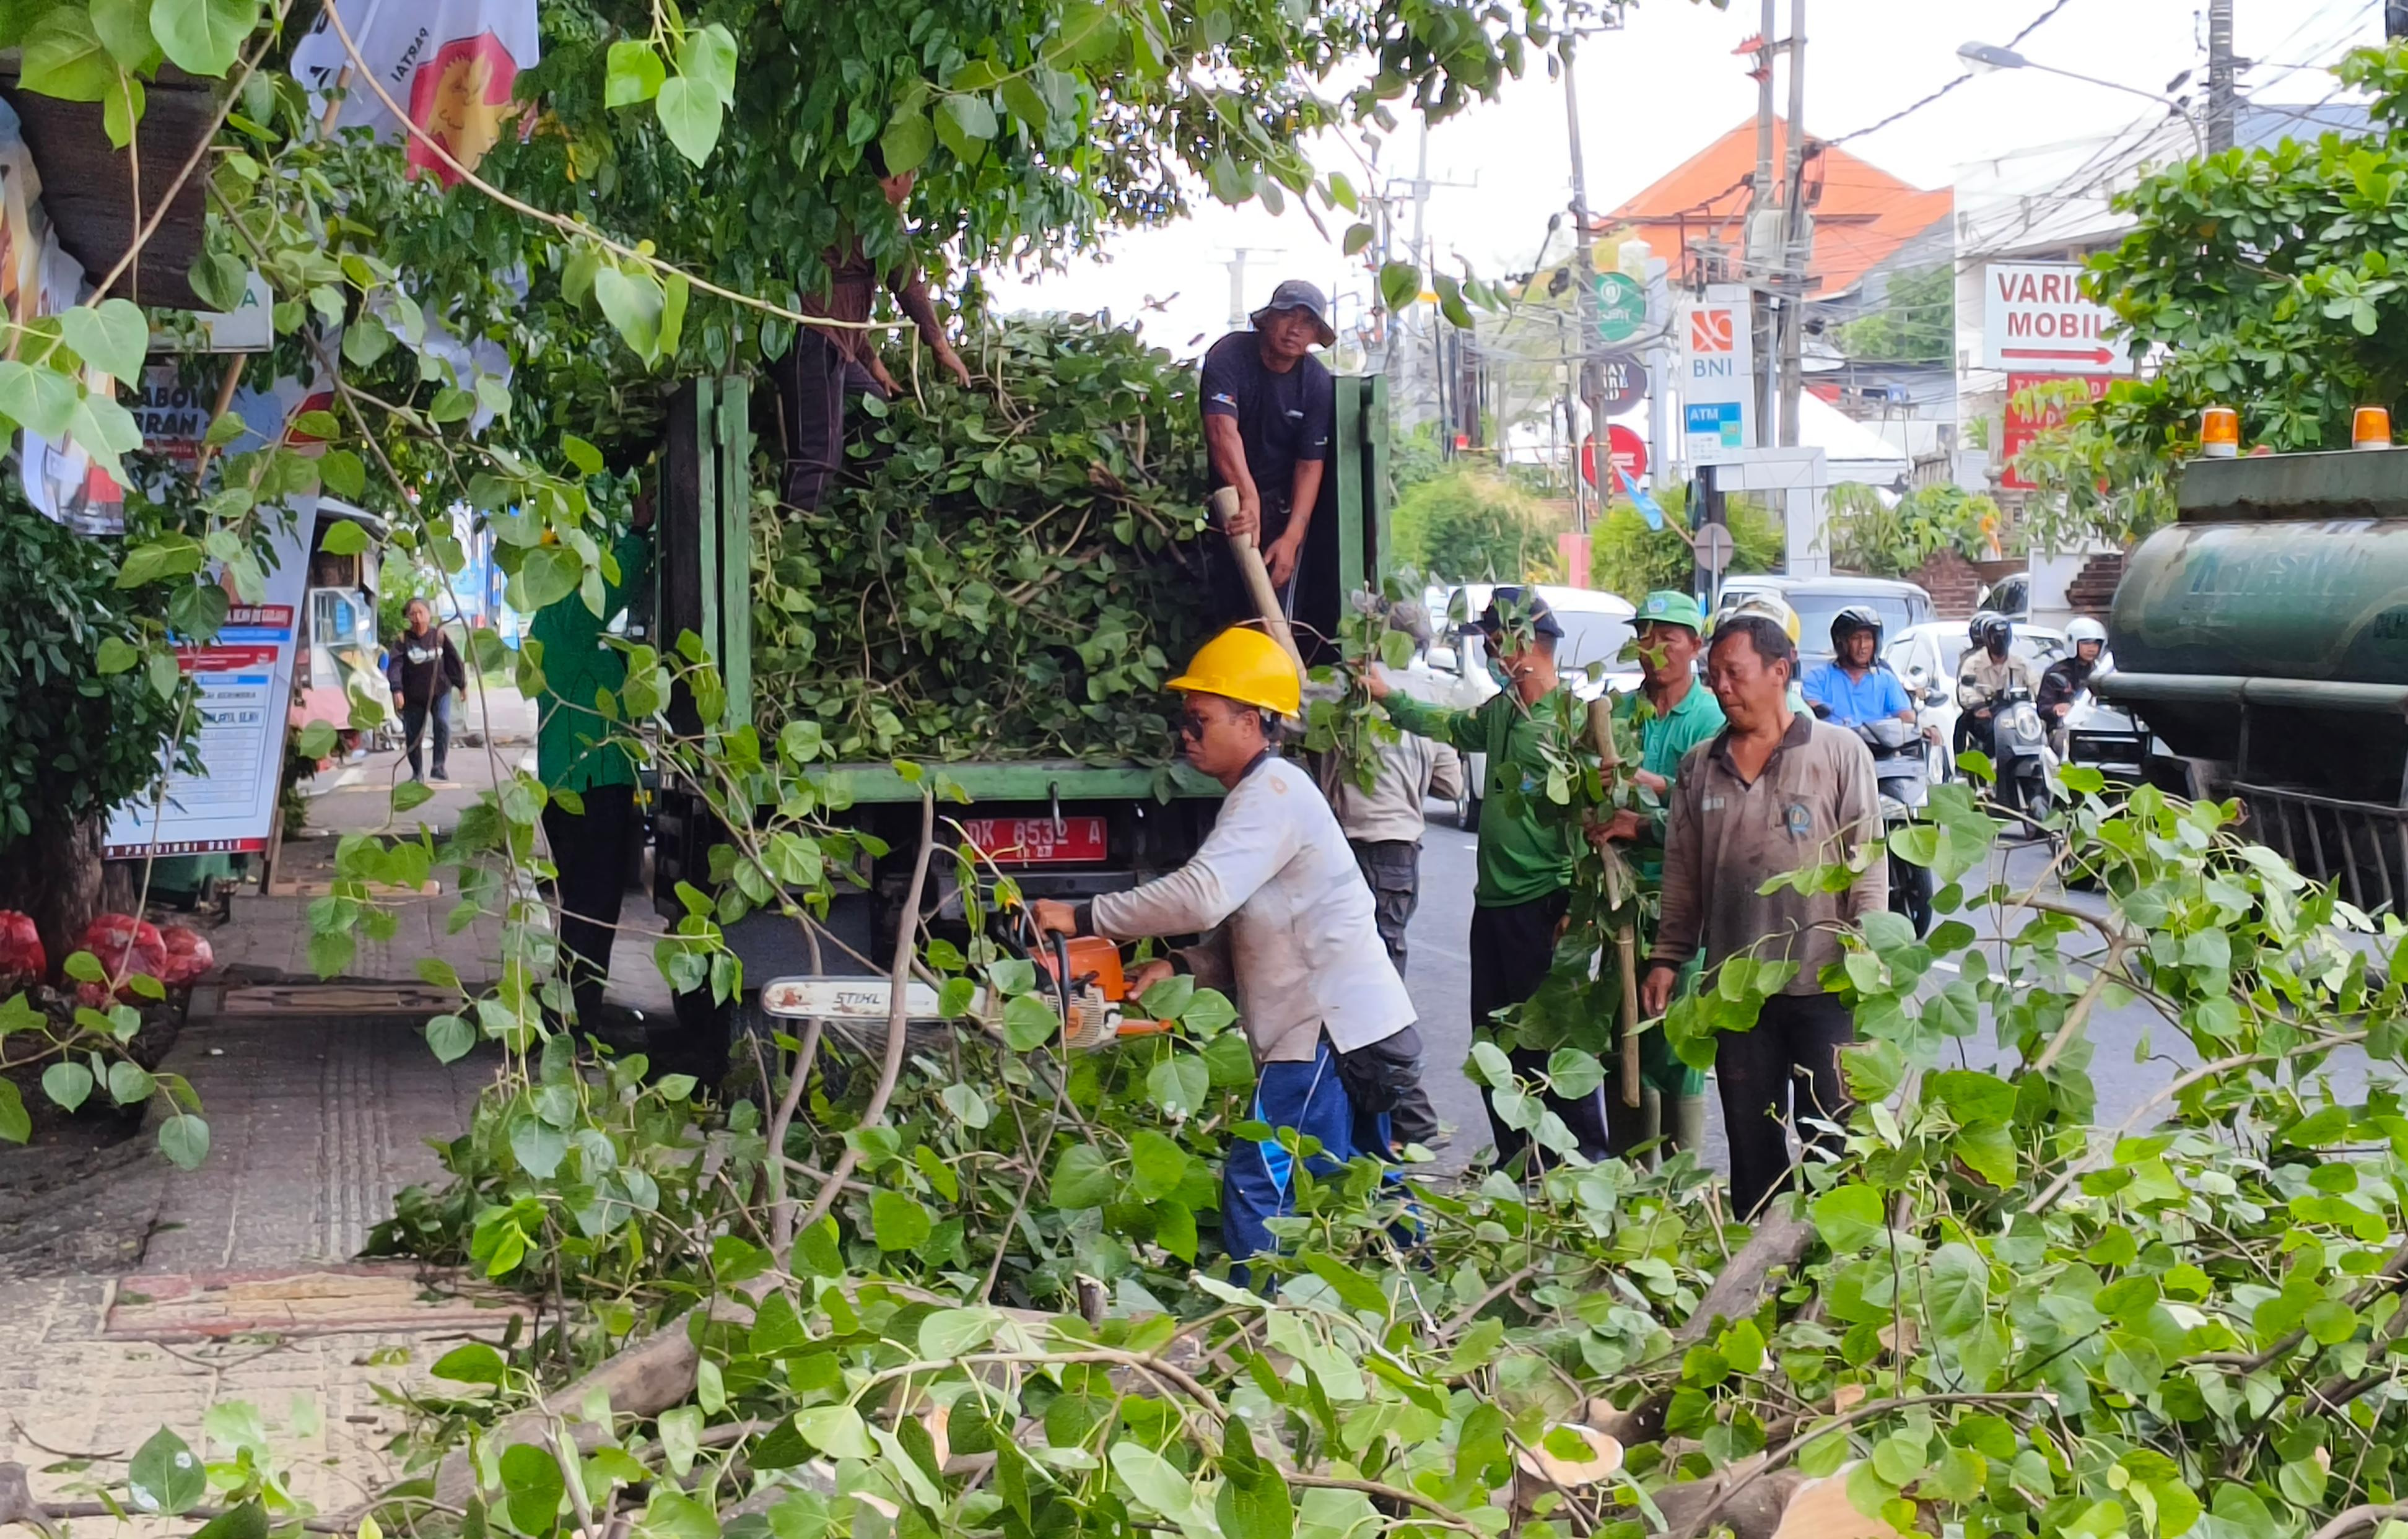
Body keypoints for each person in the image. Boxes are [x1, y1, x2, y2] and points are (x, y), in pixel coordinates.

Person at [1030, 627, 1419, 1274]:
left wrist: (1083, 915)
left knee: (1262, 1182)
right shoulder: (1266, 796)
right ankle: (1426, 1304)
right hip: (1354, 1025)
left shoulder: (1272, 795)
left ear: (1252, 720)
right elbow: (1260, 925)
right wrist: (1183, 965)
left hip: (1321, 1031)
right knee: (1367, 1185)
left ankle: (1254, 1328)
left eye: (1199, 718)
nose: (1186, 732)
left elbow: (1204, 895)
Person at [1641, 613, 1885, 1217]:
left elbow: (1867, 864)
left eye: (1734, 672)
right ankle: (1757, 1274)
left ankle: (1833, 1275)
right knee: (1752, 1146)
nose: (1721, 686)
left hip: (1824, 987)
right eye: (1713, 674)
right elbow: (1683, 872)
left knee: (1834, 1138)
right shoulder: (1700, 766)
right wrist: (1668, 958)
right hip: (1737, 993)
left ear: (1780, 671)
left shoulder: (1838, 752)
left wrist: (1869, 958)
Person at [1365, 587, 1600, 1170]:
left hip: (1543, 906)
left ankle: (1580, 1160)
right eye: (1491, 643)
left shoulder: (1571, 722)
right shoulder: (1502, 710)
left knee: (1552, 1037)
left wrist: (1573, 904)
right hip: (1492, 904)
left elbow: (1587, 820)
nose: (1495, 654)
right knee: (1493, 1039)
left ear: (1530, 640)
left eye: (1499, 641)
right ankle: (1516, 1159)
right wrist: (1390, 699)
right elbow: (1449, 724)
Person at [1322, 598, 1464, 1153]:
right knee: (1377, 986)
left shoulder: (1340, 688)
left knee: (1366, 992)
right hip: (1400, 855)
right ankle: (1390, 1118)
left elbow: (1280, 709)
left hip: (1352, 848)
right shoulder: (1426, 699)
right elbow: (1452, 784)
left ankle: (1410, 1118)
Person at [1592, 590, 1724, 1161]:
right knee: (1622, 1031)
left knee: (1678, 1035)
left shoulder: (1714, 717)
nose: (1655, 646)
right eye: (1645, 633)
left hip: (1683, 901)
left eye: (1669, 635)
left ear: (1696, 645)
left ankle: (1684, 1184)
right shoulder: (1617, 713)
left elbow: (1712, 816)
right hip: (1619, 896)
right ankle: (1629, 1184)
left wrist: (1648, 796)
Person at [777, 145, 972, 510]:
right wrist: (940, 347)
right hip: (813, 338)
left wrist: (873, 363)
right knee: (818, 454)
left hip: (829, 337)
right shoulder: (877, 214)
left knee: (873, 407)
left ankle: (864, 510)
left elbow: (840, 301)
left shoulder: (849, 202)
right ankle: (794, 534)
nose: (913, 183)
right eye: (912, 175)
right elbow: (907, 284)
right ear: (898, 177)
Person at [531, 489, 657, 1037]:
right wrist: (637, 536)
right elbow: (607, 591)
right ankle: (576, 1015)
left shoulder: (553, 619)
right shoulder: (565, 613)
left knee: (587, 903)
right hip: (589, 782)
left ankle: (575, 1008)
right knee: (591, 905)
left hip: (578, 781)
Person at [1200, 281, 1335, 622]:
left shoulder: (1316, 383)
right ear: (1268, 319)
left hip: (1281, 507)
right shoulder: (1229, 355)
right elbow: (1221, 430)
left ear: (1316, 333)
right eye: (1289, 316)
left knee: (1275, 616)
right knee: (1228, 609)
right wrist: (1248, 497)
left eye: (1307, 322)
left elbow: (1310, 464)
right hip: (1231, 500)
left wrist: (1292, 537)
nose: (1295, 329)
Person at [386, 598, 466, 785]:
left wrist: (462, 685)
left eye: (421, 612)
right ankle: (417, 773)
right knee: (413, 734)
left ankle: (439, 766)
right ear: (408, 617)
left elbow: (454, 661)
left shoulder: (439, 636)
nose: (417, 617)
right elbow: (395, 666)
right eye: (413, 613)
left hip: (440, 692)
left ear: (429, 614)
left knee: (442, 723)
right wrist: (397, 690)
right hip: (413, 696)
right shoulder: (403, 640)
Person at [1803, 606, 1914, 728]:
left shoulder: (1886, 679)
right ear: (1842, 642)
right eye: (1855, 638)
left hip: (1878, 745)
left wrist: (1922, 728)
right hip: (1835, 744)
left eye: (1868, 638)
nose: (1863, 646)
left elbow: (1906, 716)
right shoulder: (1819, 678)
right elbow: (1810, 711)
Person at [1955, 614, 2038, 761]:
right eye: (1995, 637)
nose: (1999, 642)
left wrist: (2040, 704)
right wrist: (1978, 706)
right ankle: (1964, 765)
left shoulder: (2021, 664)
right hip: (1986, 713)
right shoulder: (1973, 663)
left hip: (2015, 714)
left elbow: (2036, 685)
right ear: (1987, 639)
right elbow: (1965, 688)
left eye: (2003, 637)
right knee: (1963, 724)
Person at [2038, 617, 2108, 749]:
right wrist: (2056, 709)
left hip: (2097, 727)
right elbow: (2043, 707)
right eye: (2086, 643)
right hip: (2064, 728)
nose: (2092, 648)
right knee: (2063, 742)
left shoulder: (2102, 672)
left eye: (2096, 644)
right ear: (2073, 642)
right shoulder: (2058, 672)